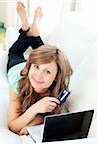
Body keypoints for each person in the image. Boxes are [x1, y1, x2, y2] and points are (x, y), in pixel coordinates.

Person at [7, 2, 73, 135]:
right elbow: (13, 126)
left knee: (48, 58)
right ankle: (28, 28)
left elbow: (57, 116)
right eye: (36, 67)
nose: (38, 75)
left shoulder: (59, 89)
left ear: (56, 77)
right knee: (14, 53)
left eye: (47, 72)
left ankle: (28, 29)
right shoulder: (17, 84)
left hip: (35, 65)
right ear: (31, 66)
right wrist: (35, 108)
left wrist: (35, 121)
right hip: (18, 69)